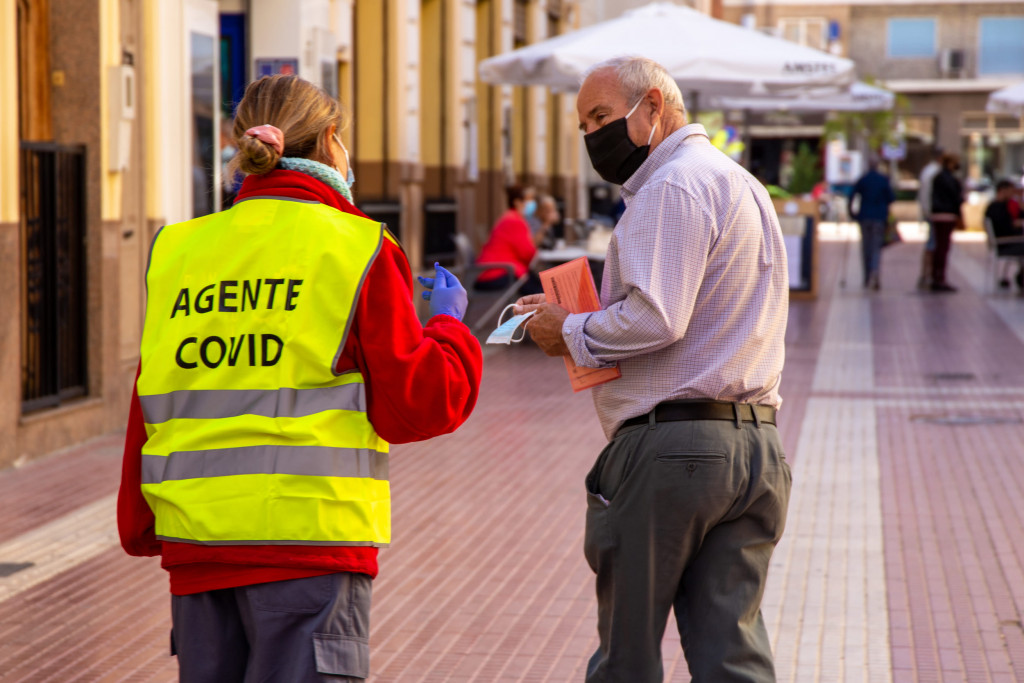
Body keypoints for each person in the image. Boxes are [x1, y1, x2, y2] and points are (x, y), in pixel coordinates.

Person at [117, 74, 482, 682]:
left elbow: (147, 397)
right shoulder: (357, 246)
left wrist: (141, 523)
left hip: (197, 544)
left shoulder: (176, 249)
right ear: (331, 142)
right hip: (310, 546)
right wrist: (447, 329)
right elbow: (418, 405)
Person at [516, 56, 791, 683]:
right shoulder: (740, 182)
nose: (591, 135)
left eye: (602, 116)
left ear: (654, 109)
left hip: (672, 450)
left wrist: (571, 329)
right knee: (733, 654)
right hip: (755, 448)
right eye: (583, 123)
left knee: (628, 654)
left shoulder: (670, 186)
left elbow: (655, 318)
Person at [476, 184, 544, 295]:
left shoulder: (509, 217)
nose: (532, 203)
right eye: (529, 200)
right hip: (497, 272)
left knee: (538, 285)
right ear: (517, 202)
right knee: (539, 292)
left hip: (494, 270)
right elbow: (528, 253)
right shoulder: (515, 221)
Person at [848, 157, 896, 290]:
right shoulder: (883, 179)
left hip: (864, 217)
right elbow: (891, 198)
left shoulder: (863, 179)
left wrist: (852, 213)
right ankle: (875, 272)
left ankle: (867, 276)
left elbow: (851, 196)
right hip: (879, 218)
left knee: (866, 247)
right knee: (876, 247)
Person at [929, 153, 964, 293]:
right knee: (943, 247)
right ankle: (939, 278)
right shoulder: (949, 179)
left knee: (939, 247)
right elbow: (956, 198)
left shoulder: (938, 177)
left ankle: (936, 276)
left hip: (939, 214)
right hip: (946, 215)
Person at [985, 179, 1024, 289]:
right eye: (1011, 191)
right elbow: (1007, 227)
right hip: (1005, 243)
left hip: (1010, 241)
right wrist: (1016, 224)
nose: (1012, 194)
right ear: (1003, 190)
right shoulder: (995, 208)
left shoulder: (1005, 205)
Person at [916, 147, 943, 289]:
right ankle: (927, 275)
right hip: (934, 213)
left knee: (931, 244)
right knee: (932, 245)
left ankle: (925, 275)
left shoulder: (927, 171)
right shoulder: (935, 172)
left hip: (929, 212)